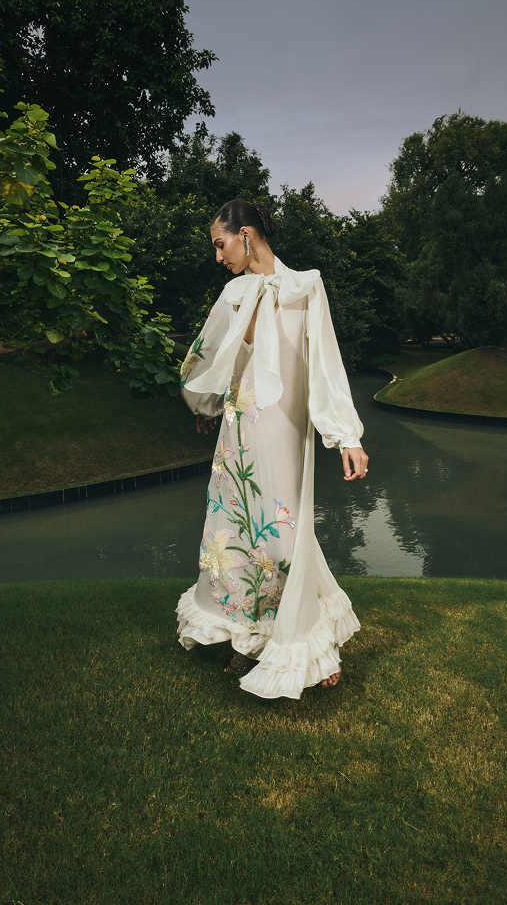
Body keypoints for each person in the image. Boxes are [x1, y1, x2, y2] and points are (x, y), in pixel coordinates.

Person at [177, 199, 369, 700]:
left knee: (283, 534)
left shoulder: (305, 287)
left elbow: (325, 363)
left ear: (245, 234)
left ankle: (308, 644)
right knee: (234, 532)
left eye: (220, 244)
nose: (218, 256)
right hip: (239, 428)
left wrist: (346, 437)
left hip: (284, 428)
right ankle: (247, 637)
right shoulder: (233, 293)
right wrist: (206, 404)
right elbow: (209, 354)